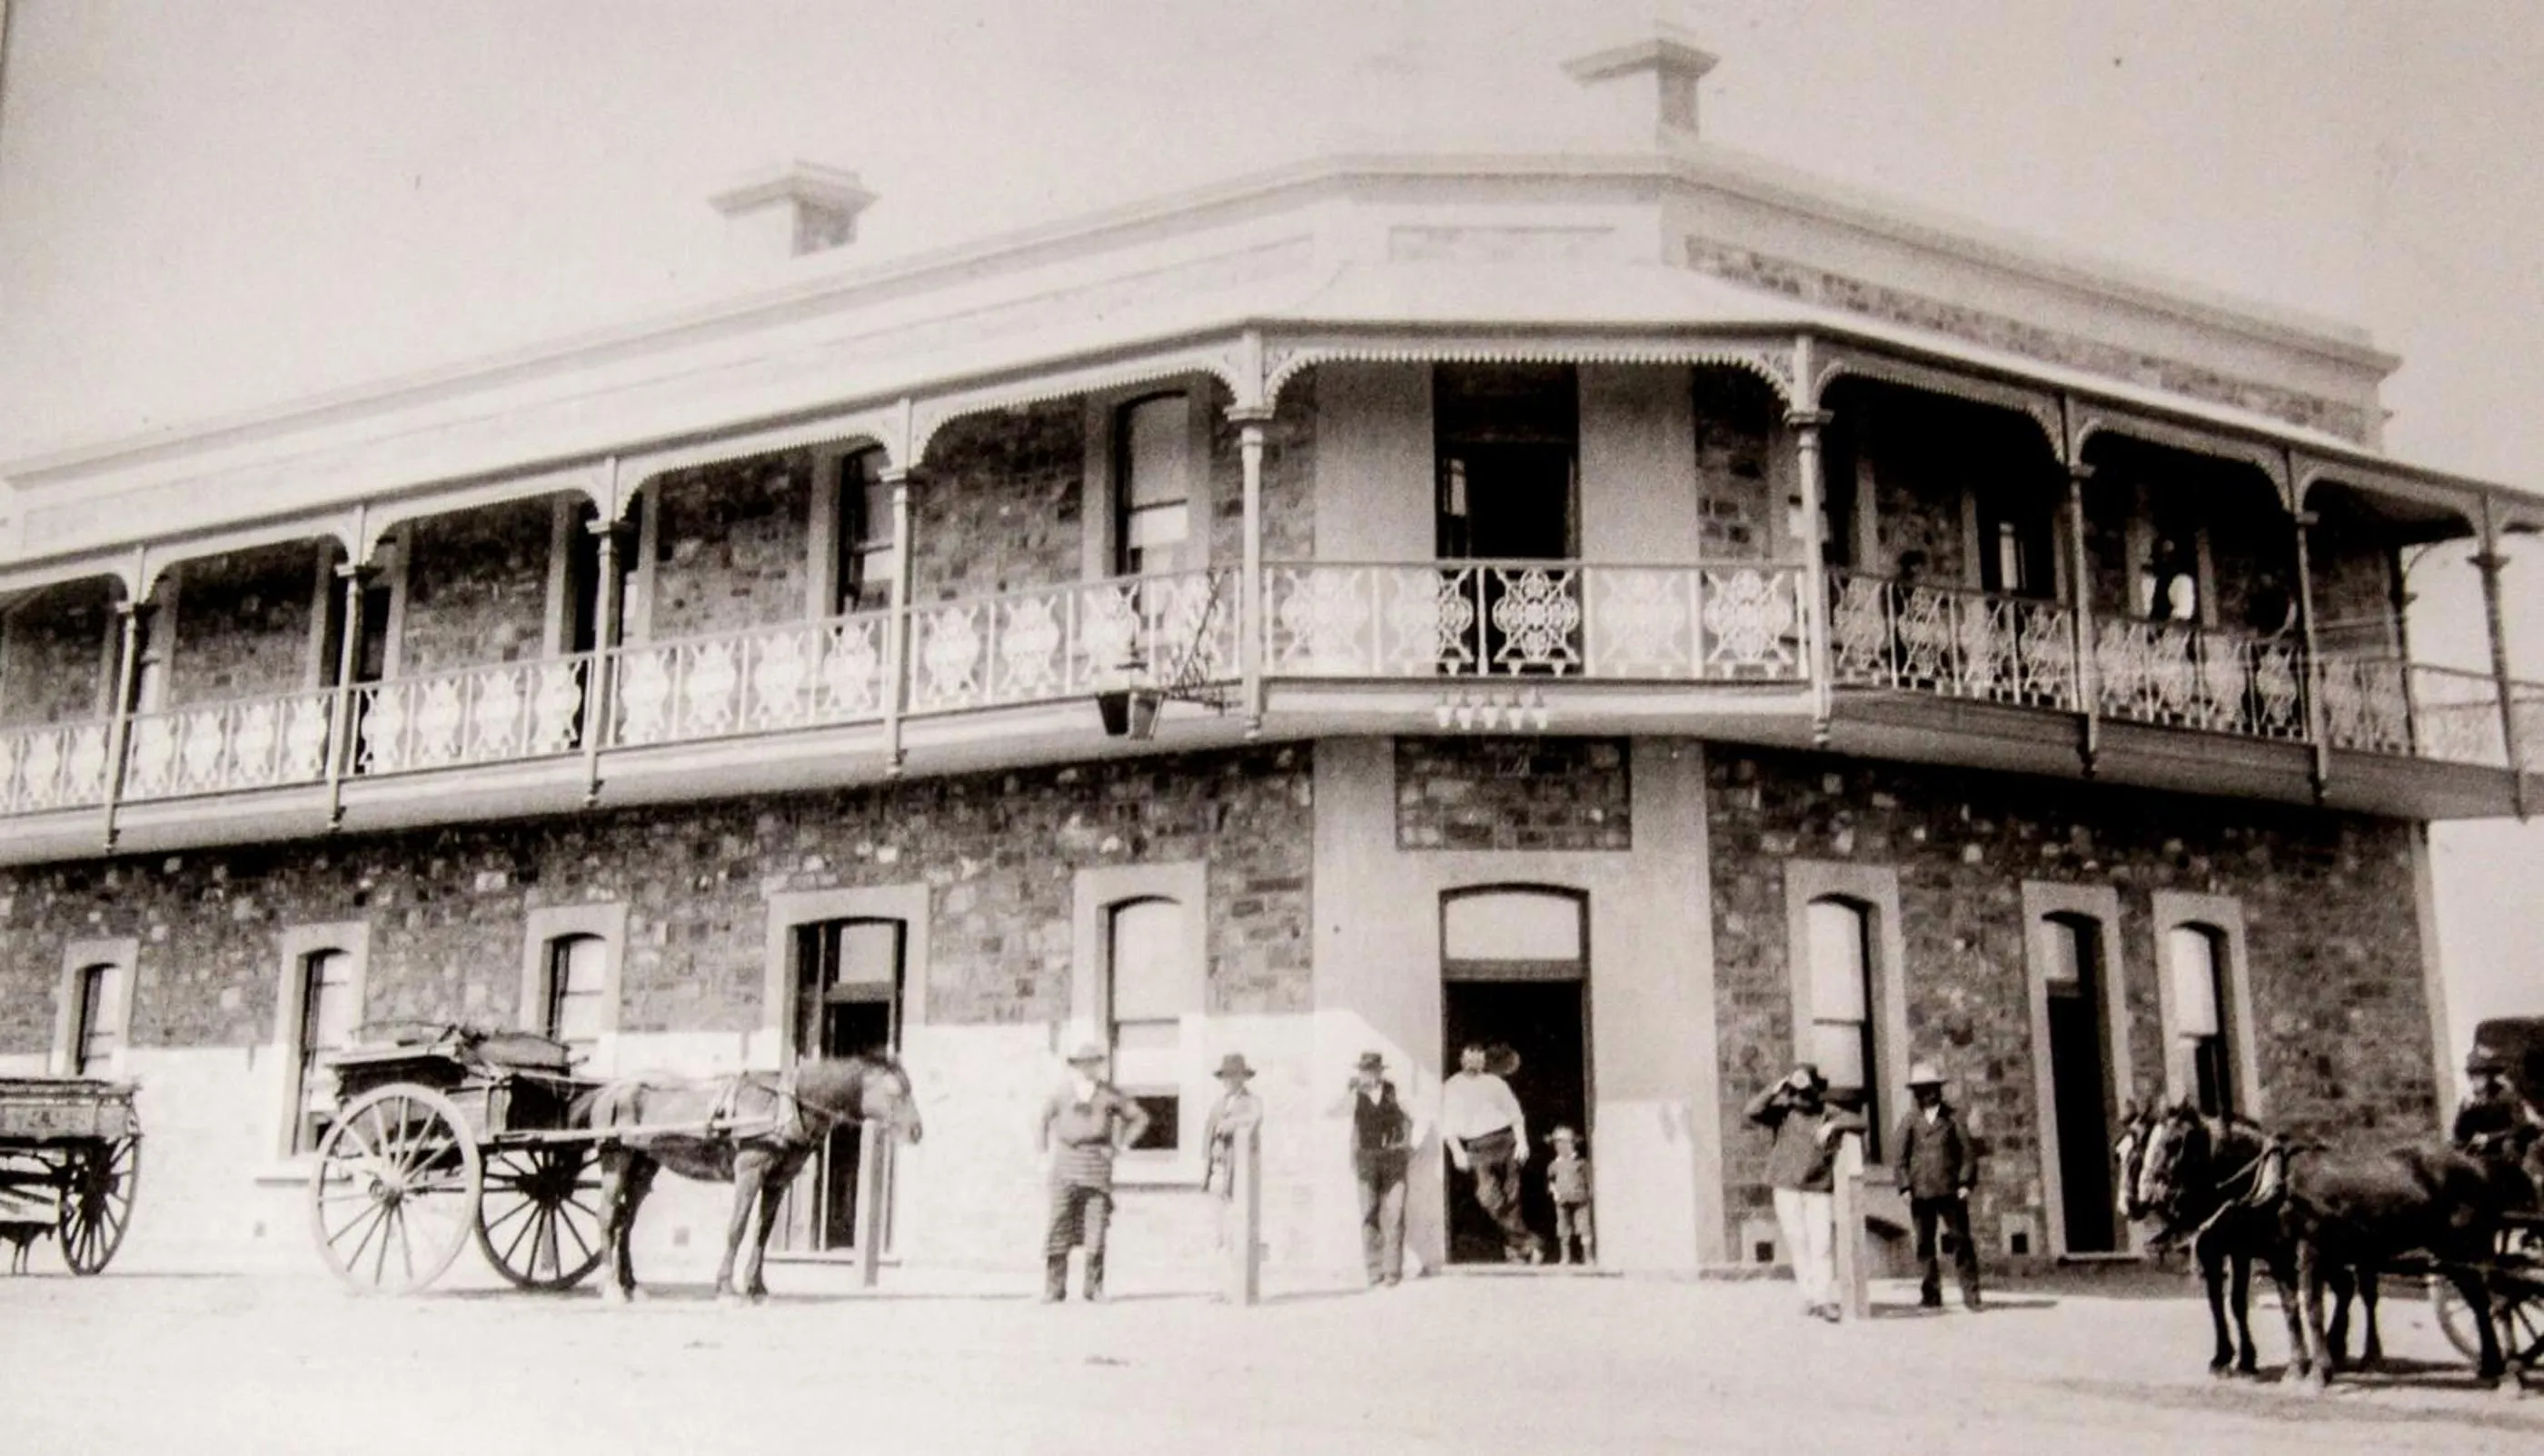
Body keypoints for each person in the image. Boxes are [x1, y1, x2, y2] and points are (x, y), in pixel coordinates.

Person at [1744, 1062, 1864, 1321]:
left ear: (1815, 1090)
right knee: (1798, 1243)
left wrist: (1834, 1126)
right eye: (1795, 1091)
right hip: (1786, 1187)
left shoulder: (1826, 1111)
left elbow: (1860, 1122)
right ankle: (1809, 1296)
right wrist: (1775, 1087)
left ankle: (1824, 1300)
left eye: (1806, 1091)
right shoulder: (1782, 1111)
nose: (1801, 1098)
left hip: (1818, 1187)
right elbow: (1752, 1111)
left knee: (1820, 1243)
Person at [1035, 1042, 1149, 1303]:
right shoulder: (1062, 1093)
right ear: (1075, 1066)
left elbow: (1140, 1118)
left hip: (1097, 1166)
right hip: (1065, 1165)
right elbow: (1042, 1119)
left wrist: (1122, 1144)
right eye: (1082, 1064)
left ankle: (1094, 1288)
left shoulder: (1110, 1095)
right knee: (1059, 1223)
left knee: (1096, 1226)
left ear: (1099, 1065)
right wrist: (1042, 1155)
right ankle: (1054, 1288)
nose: (1088, 1069)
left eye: (1093, 1064)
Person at [1893, 1061, 1983, 1312]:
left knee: (1961, 1241)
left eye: (1931, 1089)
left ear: (1938, 1090)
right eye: (1921, 1090)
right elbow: (1899, 1157)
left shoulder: (1953, 1118)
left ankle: (1971, 1295)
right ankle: (1931, 1294)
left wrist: (1965, 1182)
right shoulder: (1910, 1121)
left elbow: (1968, 1155)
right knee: (1924, 1243)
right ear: (1915, 1094)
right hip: (1921, 1192)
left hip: (1951, 1191)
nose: (1927, 1095)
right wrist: (1904, 1187)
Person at [1441, 1041, 1541, 1264]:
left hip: (1505, 1141)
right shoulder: (1452, 1086)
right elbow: (1447, 1123)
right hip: (1476, 1146)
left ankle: (1515, 1248)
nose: (1474, 1061)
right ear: (1461, 1059)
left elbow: (1515, 1113)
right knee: (1488, 1197)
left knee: (1512, 1197)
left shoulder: (1495, 1083)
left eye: (1479, 1057)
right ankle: (1527, 1241)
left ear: (1484, 1060)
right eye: (1469, 1056)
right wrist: (1457, 1151)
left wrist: (1522, 1142)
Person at [1330, 1050, 1422, 1288]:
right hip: (1366, 1160)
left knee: (1395, 1212)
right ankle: (1374, 1271)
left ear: (1381, 1072)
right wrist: (1348, 1091)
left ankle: (1393, 1272)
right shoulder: (1354, 1094)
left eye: (1372, 1070)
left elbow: (1419, 1115)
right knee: (1369, 1212)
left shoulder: (1394, 1091)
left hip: (1393, 1159)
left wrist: (1411, 1146)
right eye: (1364, 1071)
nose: (1368, 1075)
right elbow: (1332, 1112)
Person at [1201, 1052, 1265, 1265]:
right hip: (1217, 1172)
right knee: (1216, 1228)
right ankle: (1218, 1280)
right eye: (1225, 1077)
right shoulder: (1218, 1104)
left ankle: (1234, 1282)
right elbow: (1208, 1133)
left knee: (1235, 1227)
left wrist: (1234, 1123)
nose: (1228, 1081)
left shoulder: (1251, 1101)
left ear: (1242, 1078)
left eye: (1233, 1076)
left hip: (1238, 1173)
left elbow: (1255, 1118)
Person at [1546, 1125, 1595, 1267]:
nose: (1562, 1147)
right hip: (1562, 1200)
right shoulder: (1554, 1165)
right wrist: (1554, 1192)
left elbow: (1589, 1180)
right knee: (1563, 1229)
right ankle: (1565, 1257)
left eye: (1566, 1143)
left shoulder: (1581, 1163)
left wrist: (1589, 1194)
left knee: (1584, 1227)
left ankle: (1588, 1257)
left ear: (1573, 1144)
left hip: (1580, 1200)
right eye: (1558, 1143)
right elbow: (1550, 1181)